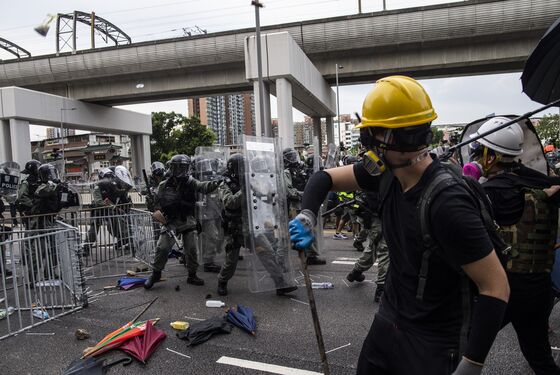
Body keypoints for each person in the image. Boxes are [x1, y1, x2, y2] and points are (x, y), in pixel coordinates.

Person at [289, 76, 510, 375]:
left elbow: (495, 287)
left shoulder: (448, 204)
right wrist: (308, 215)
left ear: (395, 139)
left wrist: (471, 364)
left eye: (370, 135)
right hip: (389, 321)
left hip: (434, 342)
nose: (366, 145)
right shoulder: (385, 173)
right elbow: (323, 179)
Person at [467, 116, 560, 375]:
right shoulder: (543, 184)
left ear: (491, 155)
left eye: (477, 151)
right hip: (539, 289)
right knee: (540, 357)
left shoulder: (488, 193)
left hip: (499, 289)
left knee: (465, 348)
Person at [216, 154, 297, 297]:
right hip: (235, 230)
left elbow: (259, 195)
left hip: (251, 228)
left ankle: (280, 284)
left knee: (268, 254)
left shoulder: (247, 182)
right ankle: (222, 282)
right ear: (233, 168)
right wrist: (245, 189)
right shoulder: (225, 184)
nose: (244, 170)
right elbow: (230, 202)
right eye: (241, 167)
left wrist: (271, 197)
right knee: (231, 263)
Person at [144, 154, 220, 289]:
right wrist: (151, 202)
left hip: (188, 220)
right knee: (162, 248)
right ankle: (156, 274)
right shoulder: (163, 185)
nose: (179, 170)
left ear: (187, 168)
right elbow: (155, 205)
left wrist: (218, 181)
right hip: (170, 221)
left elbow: (205, 187)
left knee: (191, 249)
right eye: (176, 167)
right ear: (171, 168)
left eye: (182, 167)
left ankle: (192, 275)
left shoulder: (191, 182)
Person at [283, 148, 326, 265]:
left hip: (305, 203)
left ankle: (311, 254)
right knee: (302, 230)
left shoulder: (301, 169)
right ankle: (308, 255)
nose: (293, 159)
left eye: (293, 156)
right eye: (290, 157)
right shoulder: (286, 172)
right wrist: (305, 194)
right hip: (295, 206)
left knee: (311, 228)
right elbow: (289, 191)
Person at [347, 190, 389, 303]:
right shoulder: (385, 175)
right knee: (385, 250)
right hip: (377, 214)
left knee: (374, 246)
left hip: (374, 213)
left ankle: (356, 271)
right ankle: (381, 289)